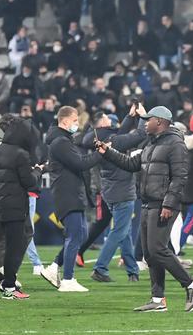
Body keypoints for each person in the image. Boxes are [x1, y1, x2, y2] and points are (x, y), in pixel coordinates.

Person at [98, 106, 193, 312]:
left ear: (160, 121)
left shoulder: (175, 143)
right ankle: (158, 300)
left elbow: (180, 177)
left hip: (163, 204)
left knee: (157, 250)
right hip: (148, 203)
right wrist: (108, 152)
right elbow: (131, 163)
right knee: (150, 254)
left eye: (148, 120)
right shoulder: (150, 143)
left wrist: (168, 203)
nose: (145, 123)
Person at [40, 106, 102, 292]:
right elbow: (80, 164)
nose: (77, 124)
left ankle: (53, 268)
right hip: (68, 193)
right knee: (75, 235)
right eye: (75, 120)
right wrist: (101, 154)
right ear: (65, 121)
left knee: (80, 234)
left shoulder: (63, 140)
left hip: (73, 192)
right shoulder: (60, 142)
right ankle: (68, 279)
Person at [82, 109, 145, 283]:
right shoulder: (114, 140)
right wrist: (143, 117)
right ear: (101, 123)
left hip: (109, 190)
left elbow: (120, 133)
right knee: (119, 232)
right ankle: (100, 268)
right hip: (123, 190)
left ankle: (132, 271)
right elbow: (139, 134)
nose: (109, 120)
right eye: (106, 118)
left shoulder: (96, 138)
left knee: (124, 233)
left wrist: (131, 116)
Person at [0, 116, 40, 300]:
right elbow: (29, 182)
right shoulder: (20, 154)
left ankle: (8, 283)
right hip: (15, 207)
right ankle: (8, 286)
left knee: (5, 245)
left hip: (0, 206)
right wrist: (38, 171)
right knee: (14, 248)